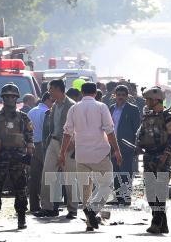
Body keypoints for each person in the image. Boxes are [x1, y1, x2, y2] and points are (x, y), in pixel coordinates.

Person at [59, 82, 123, 232]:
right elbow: (109, 131)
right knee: (106, 186)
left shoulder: (74, 108)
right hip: (99, 153)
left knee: (85, 189)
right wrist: (117, 150)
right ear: (95, 93)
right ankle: (92, 211)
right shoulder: (101, 107)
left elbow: (67, 132)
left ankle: (89, 222)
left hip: (81, 155)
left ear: (82, 92)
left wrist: (62, 153)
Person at [0, 83, 34, 230]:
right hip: (0, 157)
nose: (9, 99)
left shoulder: (23, 117)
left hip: (18, 158)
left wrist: (29, 155)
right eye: (6, 97)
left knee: (20, 189)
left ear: (17, 98)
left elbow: (29, 137)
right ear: (2, 98)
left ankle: (21, 218)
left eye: (12, 97)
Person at [135, 86, 171, 234]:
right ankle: (162, 223)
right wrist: (138, 146)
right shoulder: (147, 116)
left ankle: (156, 221)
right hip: (149, 157)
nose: (146, 102)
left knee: (159, 191)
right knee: (150, 191)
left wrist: (166, 154)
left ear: (155, 100)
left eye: (147, 99)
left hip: (162, 157)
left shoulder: (168, 116)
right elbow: (141, 134)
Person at [34, 79, 78, 218]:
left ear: (59, 89)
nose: (49, 92)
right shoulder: (54, 105)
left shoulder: (72, 105)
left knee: (69, 177)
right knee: (48, 174)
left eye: (51, 89)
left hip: (69, 144)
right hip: (53, 142)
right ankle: (48, 207)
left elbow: (78, 126)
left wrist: (74, 143)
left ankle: (72, 209)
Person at [109, 84, 140, 205]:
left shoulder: (132, 109)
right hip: (112, 144)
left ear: (127, 96)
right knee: (115, 171)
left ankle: (125, 197)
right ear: (115, 96)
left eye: (123, 95)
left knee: (125, 171)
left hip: (126, 145)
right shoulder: (111, 108)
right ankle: (117, 197)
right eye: (118, 95)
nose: (120, 97)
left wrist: (136, 145)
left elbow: (137, 128)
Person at [27, 92, 53, 212]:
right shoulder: (47, 112)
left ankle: (33, 205)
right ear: (47, 100)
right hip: (43, 146)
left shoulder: (31, 111)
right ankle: (48, 205)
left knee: (34, 177)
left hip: (32, 146)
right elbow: (48, 132)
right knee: (48, 175)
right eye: (52, 101)